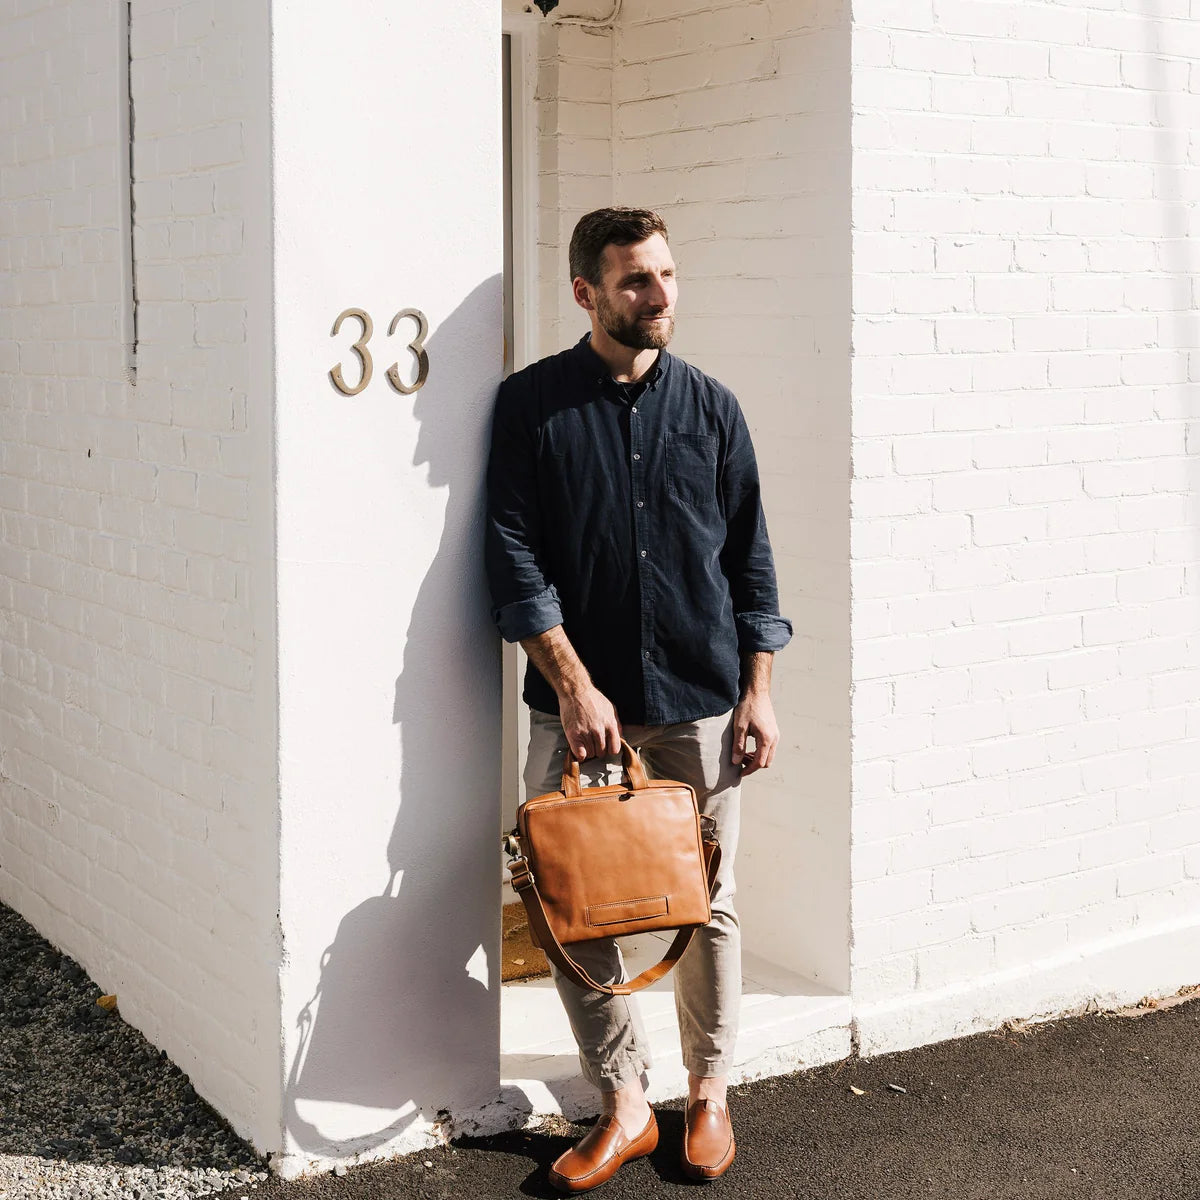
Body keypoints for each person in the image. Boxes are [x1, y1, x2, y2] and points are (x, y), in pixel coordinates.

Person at [485, 207, 791, 1192]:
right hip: (578, 713)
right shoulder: (531, 406)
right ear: (585, 292)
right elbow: (513, 553)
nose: (659, 297)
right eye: (634, 281)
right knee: (576, 907)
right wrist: (572, 684)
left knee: (710, 903)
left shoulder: (713, 408)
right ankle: (622, 1102)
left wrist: (759, 694)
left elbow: (751, 562)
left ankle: (709, 1093)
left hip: (701, 702)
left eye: (666, 275)